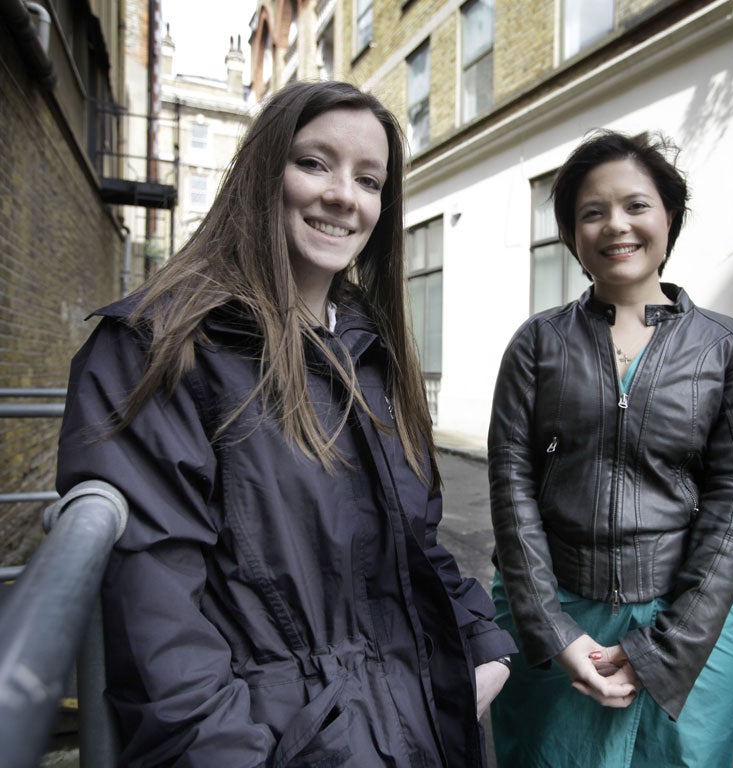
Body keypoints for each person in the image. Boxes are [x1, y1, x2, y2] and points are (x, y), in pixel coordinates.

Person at [56, 80, 516, 768]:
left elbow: (417, 543)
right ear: (262, 173)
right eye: (314, 163)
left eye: (369, 179)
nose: (343, 195)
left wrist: (482, 646)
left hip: (418, 728)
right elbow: (160, 638)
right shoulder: (160, 346)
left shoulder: (371, 348)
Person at [487, 130, 733, 767]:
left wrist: (664, 651)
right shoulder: (536, 343)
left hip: (682, 621)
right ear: (572, 236)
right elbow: (511, 485)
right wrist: (555, 631)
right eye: (593, 211)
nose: (616, 225)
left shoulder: (726, 348)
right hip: (554, 614)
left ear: (670, 216)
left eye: (636, 205)